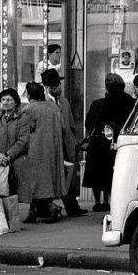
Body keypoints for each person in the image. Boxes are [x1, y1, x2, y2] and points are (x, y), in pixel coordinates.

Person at [0, 89, 41, 228]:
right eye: (2, 100)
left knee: (12, 192)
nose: (5, 103)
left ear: (16, 102)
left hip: (15, 161)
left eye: (8, 100)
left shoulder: (22, 118)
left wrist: (8, 156)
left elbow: (23, 141)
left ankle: (12, 222)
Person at [83, 74, 136, 211]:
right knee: (110, 174)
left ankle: (97, 201)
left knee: (96, 173)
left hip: (100, 143)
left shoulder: (100, 103)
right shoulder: (129, 101)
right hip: (119, 143)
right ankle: (107, 200)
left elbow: (91, 123)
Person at [20, 82, 70, 223]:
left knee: (34, 183)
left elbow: (25, 131)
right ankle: (40, 210)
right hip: (53, 149)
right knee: (47, 182)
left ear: (29, 95)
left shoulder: (28, 109)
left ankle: (47, 208)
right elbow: (63, 126)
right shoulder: (53, 107)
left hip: (35, 150)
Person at [42, 68, 86, 217]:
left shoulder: (64, 101)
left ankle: (73, 207)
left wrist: (74, 141)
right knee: (52, 176)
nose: (58, 88)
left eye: (58, 85)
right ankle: (48, 208)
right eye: (54, 86)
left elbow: (71, 124)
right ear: (47, 87)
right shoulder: (44, 103)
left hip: (67, 143)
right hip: (52, 144)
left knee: (69, 175)